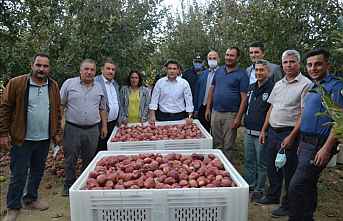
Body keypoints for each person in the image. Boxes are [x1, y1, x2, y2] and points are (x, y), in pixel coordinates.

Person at [0, 53, 62, 221]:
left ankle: (30, 199)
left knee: (37, 171)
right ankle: (13, 207)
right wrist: (3, 133)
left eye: (45, 66)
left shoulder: (53, 86)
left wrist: (56, 133)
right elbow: (4, 108)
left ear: (49, 68)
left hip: (43, 139)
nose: (42, 69)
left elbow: (56, 110)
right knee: (18, 174)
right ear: (32, 65)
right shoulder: (17, 83)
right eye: (38, 65)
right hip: (22, 138)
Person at [288, 49, 343, 221]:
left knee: (296, 186)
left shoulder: (335, 87)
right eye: (310, 65)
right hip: (305, 143)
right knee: (308, 184)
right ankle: (307, 216)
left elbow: (339, 121)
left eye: (318, 64)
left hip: (319, 144)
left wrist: (326, 148)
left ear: (328, 64)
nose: (313, 68)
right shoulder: (314, 86)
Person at [256, 50, 312, 218]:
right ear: (282, 64)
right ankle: (273, 195)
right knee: (273, 166)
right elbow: (272, 107)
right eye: (285, 62)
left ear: (299, 63)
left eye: (292, 62)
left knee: (289, 170)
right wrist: (264, 129)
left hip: (289, 133)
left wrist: (292, 136)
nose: (288, 65)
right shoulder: (279, 83)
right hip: (273, 131)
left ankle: (287, 204)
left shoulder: (305, 85)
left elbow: (303, 113)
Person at [60, 59, 107, 196]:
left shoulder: (99, 87)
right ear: (80, 70)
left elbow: (102, 108)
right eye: (86, 69)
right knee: (70, 158)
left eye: (92, 70)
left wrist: (103, 126)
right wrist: (62, 120)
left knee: (89, 159)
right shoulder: (69, 84)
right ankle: (68, 185)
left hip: (93, 129)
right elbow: (61, 105)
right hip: (72, 127)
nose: (89, 72)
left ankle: (84, 185)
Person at [205, 47, 249, 162]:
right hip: (215, 112)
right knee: (216, 143)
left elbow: (244, 98)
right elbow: (212, 89)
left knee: (228, 145)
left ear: (237, 58)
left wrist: (238, 117)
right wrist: (208, 108)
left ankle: (227, 170)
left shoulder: (242, 74)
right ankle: (215, 168)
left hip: (231, 114)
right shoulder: (219, 71)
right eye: (227, 55)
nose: (228, 58)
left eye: (231, 55)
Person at [243, 59, 275, 201]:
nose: (259, 73)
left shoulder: (272, 88)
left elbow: (271, 111)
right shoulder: (251, 87)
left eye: (262, 70)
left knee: (261, 162)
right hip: (248, 130)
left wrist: (264, 130)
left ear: (268, 71)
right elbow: (246, 105)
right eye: (256, 70)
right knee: (249, 160)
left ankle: (259, 189)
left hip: (262, 132)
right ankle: (250, 185)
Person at [95, 58, 120, 151]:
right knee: (99, 149)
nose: (111, 71)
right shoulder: (96, 82)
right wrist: (103, 125)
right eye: (108, 68)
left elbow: (117, 102)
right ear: (102, 69)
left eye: (113, 70)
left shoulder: (115, 84)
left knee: (109, 149)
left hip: (113, 123)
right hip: (100, 124)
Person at [194, 50, 220, 132]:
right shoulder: (203, 74)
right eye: (210, 58)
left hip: (216, 107)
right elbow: (197, 92)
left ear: (218, 59)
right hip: (203, 106)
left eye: (214, 58)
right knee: (204, 131)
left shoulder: (223, 73)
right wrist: (196, 108)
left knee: (216, 131)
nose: (212, 60)